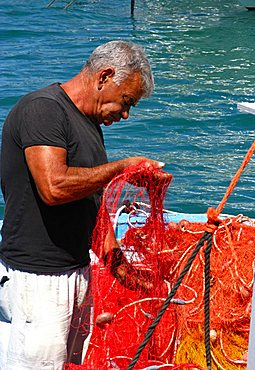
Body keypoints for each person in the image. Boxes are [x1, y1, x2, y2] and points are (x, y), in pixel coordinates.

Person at [0, 40, 168, 370]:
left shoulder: (89, 125)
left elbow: (93, 211)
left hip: (77, 274)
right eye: (126, 101)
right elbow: (54, 187)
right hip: (38, 281)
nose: (125, 114)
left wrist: (133, 276)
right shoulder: (43, 109)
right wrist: (122, 169)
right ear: (105, 76)